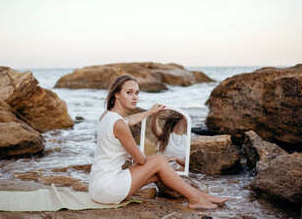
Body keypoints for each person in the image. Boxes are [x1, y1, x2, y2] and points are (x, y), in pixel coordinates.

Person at [89, 75, 229, 209]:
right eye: (129, 92)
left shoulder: (108, 116)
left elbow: (131, 120)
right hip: (107, 189)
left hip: (97, 186)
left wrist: (150, 112)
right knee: (159, 160)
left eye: (137, 93)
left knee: (160, 173)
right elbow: (141, 160)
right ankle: (195, 200)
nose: (135, 97)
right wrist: (152, 159)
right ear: (117, 94)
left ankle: (201, 196)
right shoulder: (119, 124)